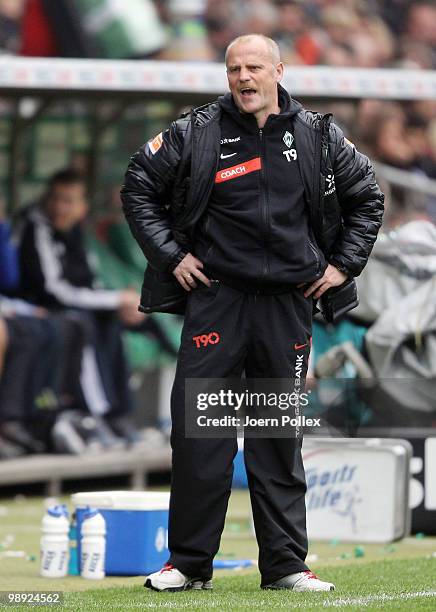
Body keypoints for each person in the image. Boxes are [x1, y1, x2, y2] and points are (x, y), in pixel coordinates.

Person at [121, 34, 384, 593]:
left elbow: (368, 196)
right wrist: (171, 257)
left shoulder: (317, 134)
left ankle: (286, 566)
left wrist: (343, 266)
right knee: (199, 438)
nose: (243, 77)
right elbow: (138, 184)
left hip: (289, 305)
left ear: (279, 71)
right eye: (234, 68)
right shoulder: (196, 132)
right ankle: (189, 565)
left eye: (254, 67)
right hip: (217, 301)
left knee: (276, 439)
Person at [15, 168, 145, 444]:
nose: (61, 207)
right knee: (81, 324)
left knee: (114, 320)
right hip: (40, 307)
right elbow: (54, 289)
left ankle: (120, 414)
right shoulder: (34, 226)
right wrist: (116, 299)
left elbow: (90, 282)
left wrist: (118, 303)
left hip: (70, 306)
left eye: (69, 201)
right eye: (57, 199)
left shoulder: (78, 233)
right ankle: (96, 414)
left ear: (82, 205)